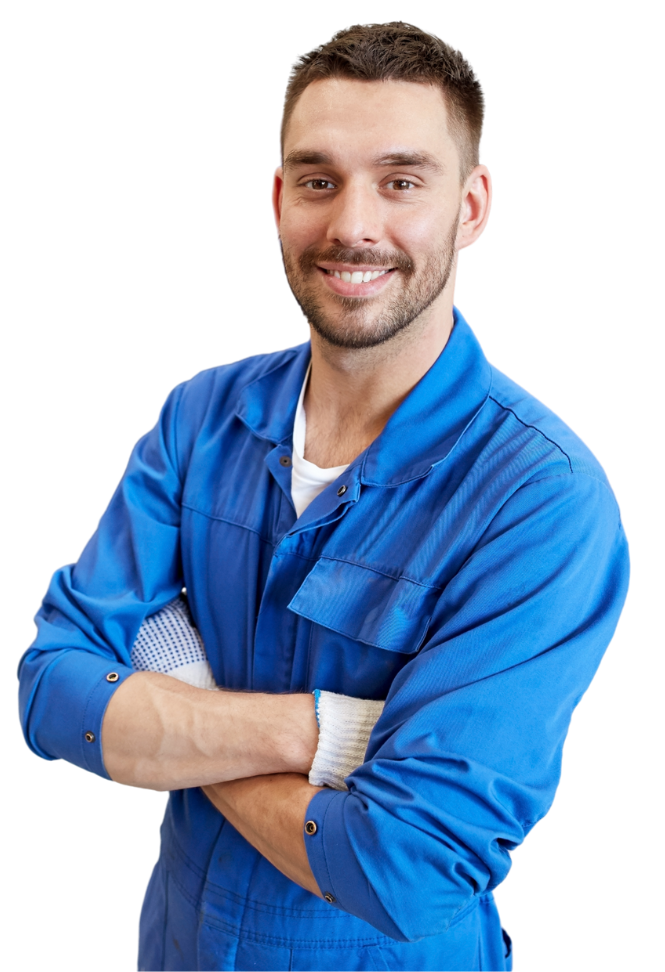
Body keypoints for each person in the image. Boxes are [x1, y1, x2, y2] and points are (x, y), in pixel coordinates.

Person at [17, 22, 630, 971]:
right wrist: (335, 733)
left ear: (470, 206)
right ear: (276, 200)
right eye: (317, 180)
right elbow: (52, 692)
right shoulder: (200, 416)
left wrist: (176, 691)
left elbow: (405, 867)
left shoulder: (540, 500)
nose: (352, 225)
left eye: (400, 181)